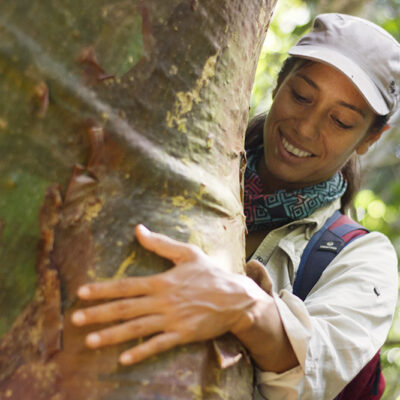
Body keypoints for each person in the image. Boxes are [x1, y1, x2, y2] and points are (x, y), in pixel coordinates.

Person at [71, 13, 399, 399]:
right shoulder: (178, 162)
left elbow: (319, 367)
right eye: (302, 96)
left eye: (341, 121)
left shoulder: (361, 258)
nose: (306, 128)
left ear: (371, 137)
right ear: (279, 83)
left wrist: (242, 307)